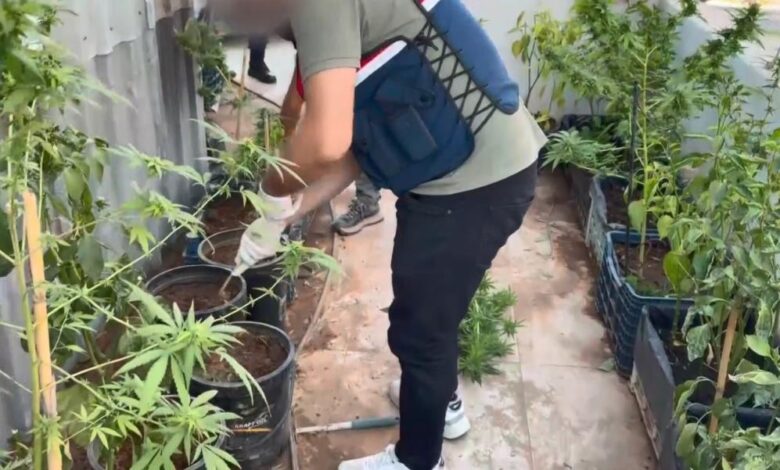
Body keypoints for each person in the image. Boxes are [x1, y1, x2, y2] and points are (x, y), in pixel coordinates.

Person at [213, 0, 547, 468]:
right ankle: (439, 401)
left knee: (421, 331)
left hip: (473, 184)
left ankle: (416, 459)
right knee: (433, 312)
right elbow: (359, 145)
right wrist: (287, 213)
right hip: (477, 169)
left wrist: (270, 189)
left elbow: (325, 141)